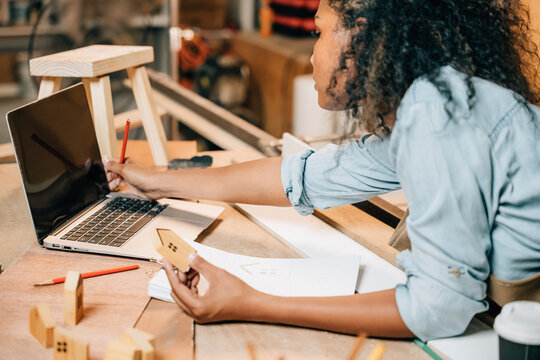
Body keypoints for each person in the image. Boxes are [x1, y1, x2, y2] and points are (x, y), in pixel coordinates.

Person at [104, 0, 540, 341]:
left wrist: (252, 302)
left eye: (319, 32)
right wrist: (157, 181)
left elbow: (438, 308)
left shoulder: (434, 112)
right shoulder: (425, 105)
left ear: (361, 39)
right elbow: (301, 176)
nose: (312, 53)